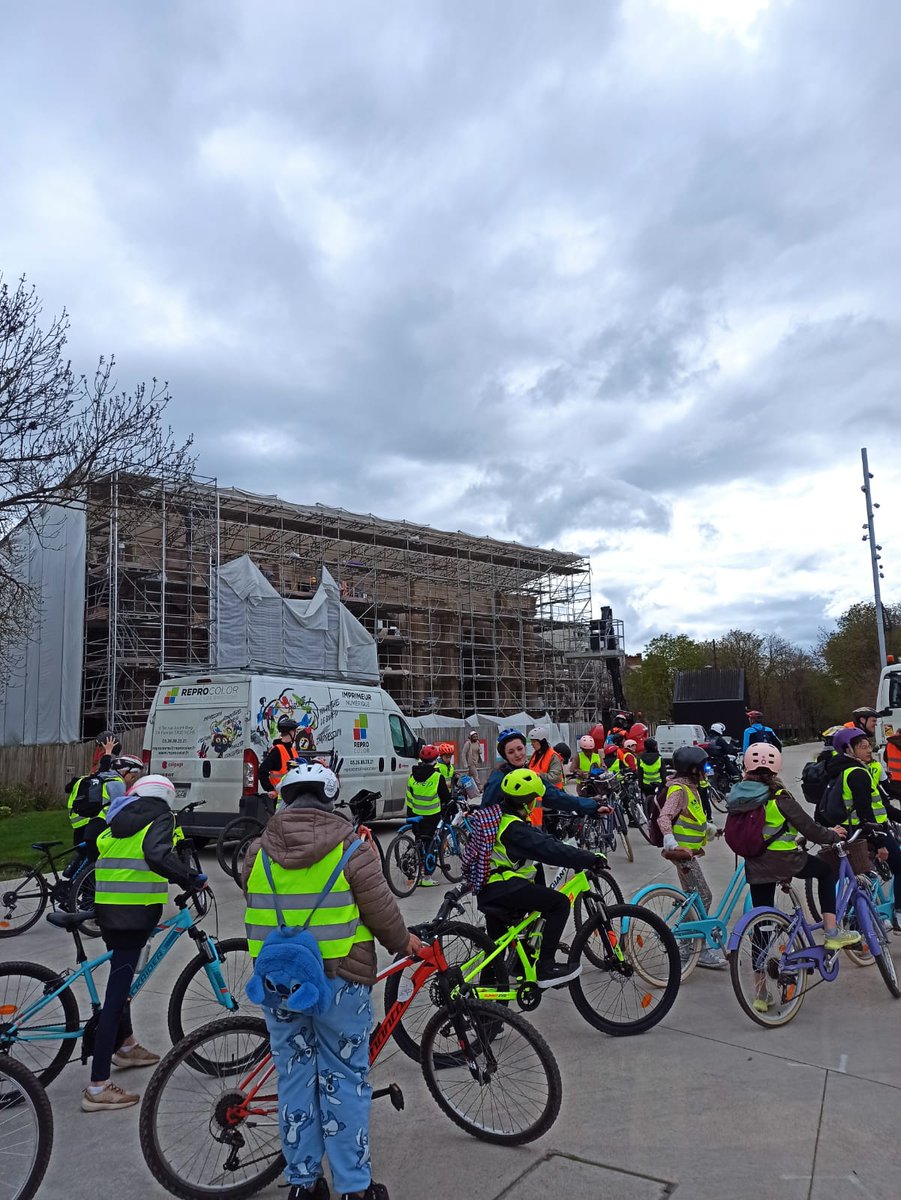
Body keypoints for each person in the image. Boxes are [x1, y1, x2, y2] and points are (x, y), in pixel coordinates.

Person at [243, 761, 418, 1200]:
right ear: (330, 799)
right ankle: (354, 1187)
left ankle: (304, 1183)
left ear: (284, 799)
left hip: (282, 984)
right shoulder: (353, 850)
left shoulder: (255, 852)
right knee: (344, 1079)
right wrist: (404, 943)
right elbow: (384, 917)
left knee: (295, 1079)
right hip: (341, 981)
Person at [84, 774, 203, 1112]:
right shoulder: (160, 817)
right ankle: (97, 1086)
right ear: (165, 796)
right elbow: (157, 854)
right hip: (132, 916)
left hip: (110, 911)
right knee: (116, 995)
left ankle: (126, 1044)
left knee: (123, 978)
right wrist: (190, 878)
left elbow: (103, 848)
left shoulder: (119, 818)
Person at [736, 743, 860, 1013]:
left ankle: (760, 995)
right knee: (826, 872)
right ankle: (831, 932)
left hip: (756, 866)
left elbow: (769, 830)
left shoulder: (740, 797)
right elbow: (810, 828)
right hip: (786, 861)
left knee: (762, 926)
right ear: (776, 767)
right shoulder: (780, 796)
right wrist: (832, 834)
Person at [478, 767, 607, 987]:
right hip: (503, 888)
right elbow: (549, 851)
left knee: (495, 952)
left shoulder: (504, 816)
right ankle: (545, 967)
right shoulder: (514, 829)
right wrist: (588, 858)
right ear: (527, 803)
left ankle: (487, 1010)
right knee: (558, 904)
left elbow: (541, 840)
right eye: (535, 801)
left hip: (493, 888)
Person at [657, 745, 726, 969]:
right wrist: (671, 842)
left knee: (695, 898)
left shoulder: (692, 788)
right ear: (692, 769)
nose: (706, 770)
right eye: (703, 766)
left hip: (690, 853)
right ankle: (693, 949)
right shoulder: (678, 790)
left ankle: (689, 947)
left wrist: (711, 830)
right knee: (703, 897)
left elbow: (693, 818)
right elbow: (664, 817)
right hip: (682, 854)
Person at [827, 727, 901, 929]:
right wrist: (879, 843)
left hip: (852, 831)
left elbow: (882, 805)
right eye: (863, 746)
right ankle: (899, 914)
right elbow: (865, 812)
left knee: (860, 877)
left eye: (869, 746)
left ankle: (855, 925)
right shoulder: (858, 774)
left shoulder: (840, 770)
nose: (869, 750)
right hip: (868, 831)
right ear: (848, 749)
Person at [482, 729, 595, 819]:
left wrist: (590, 804)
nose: (517, 754)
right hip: (512, 839)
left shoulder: (528, 770)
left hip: (534, 825)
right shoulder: (498, 779)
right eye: (511, 752)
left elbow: (553, 795)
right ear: (505, 756)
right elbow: (486, 813)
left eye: (520, 749)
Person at [65, 744, 143, 861]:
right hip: (94, 824)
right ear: (125, 771)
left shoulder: (102, 778)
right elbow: (119, 807)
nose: (133, 780)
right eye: (133, 776)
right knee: (92, 861)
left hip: (80, 823)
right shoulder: (117, 782)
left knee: (83, 859)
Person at [405, 744, 452, 885]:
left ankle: (417, 874)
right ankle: (426, 877)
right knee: (431, 844)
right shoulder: (437, 777)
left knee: (419, 842)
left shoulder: (412, 777)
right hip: (432, 815)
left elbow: (409, 798)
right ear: (435, 760)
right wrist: (449, 803)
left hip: (416, 815)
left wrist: (411, 815)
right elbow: (445, 797)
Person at [259, 716, 301, 799]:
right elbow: (262, 771)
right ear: (290, 732)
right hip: (280, 798)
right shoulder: (277, 751)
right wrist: (270, 789)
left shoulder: (293, 750)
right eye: (294, 731)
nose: (296, 733)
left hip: (293, 796)